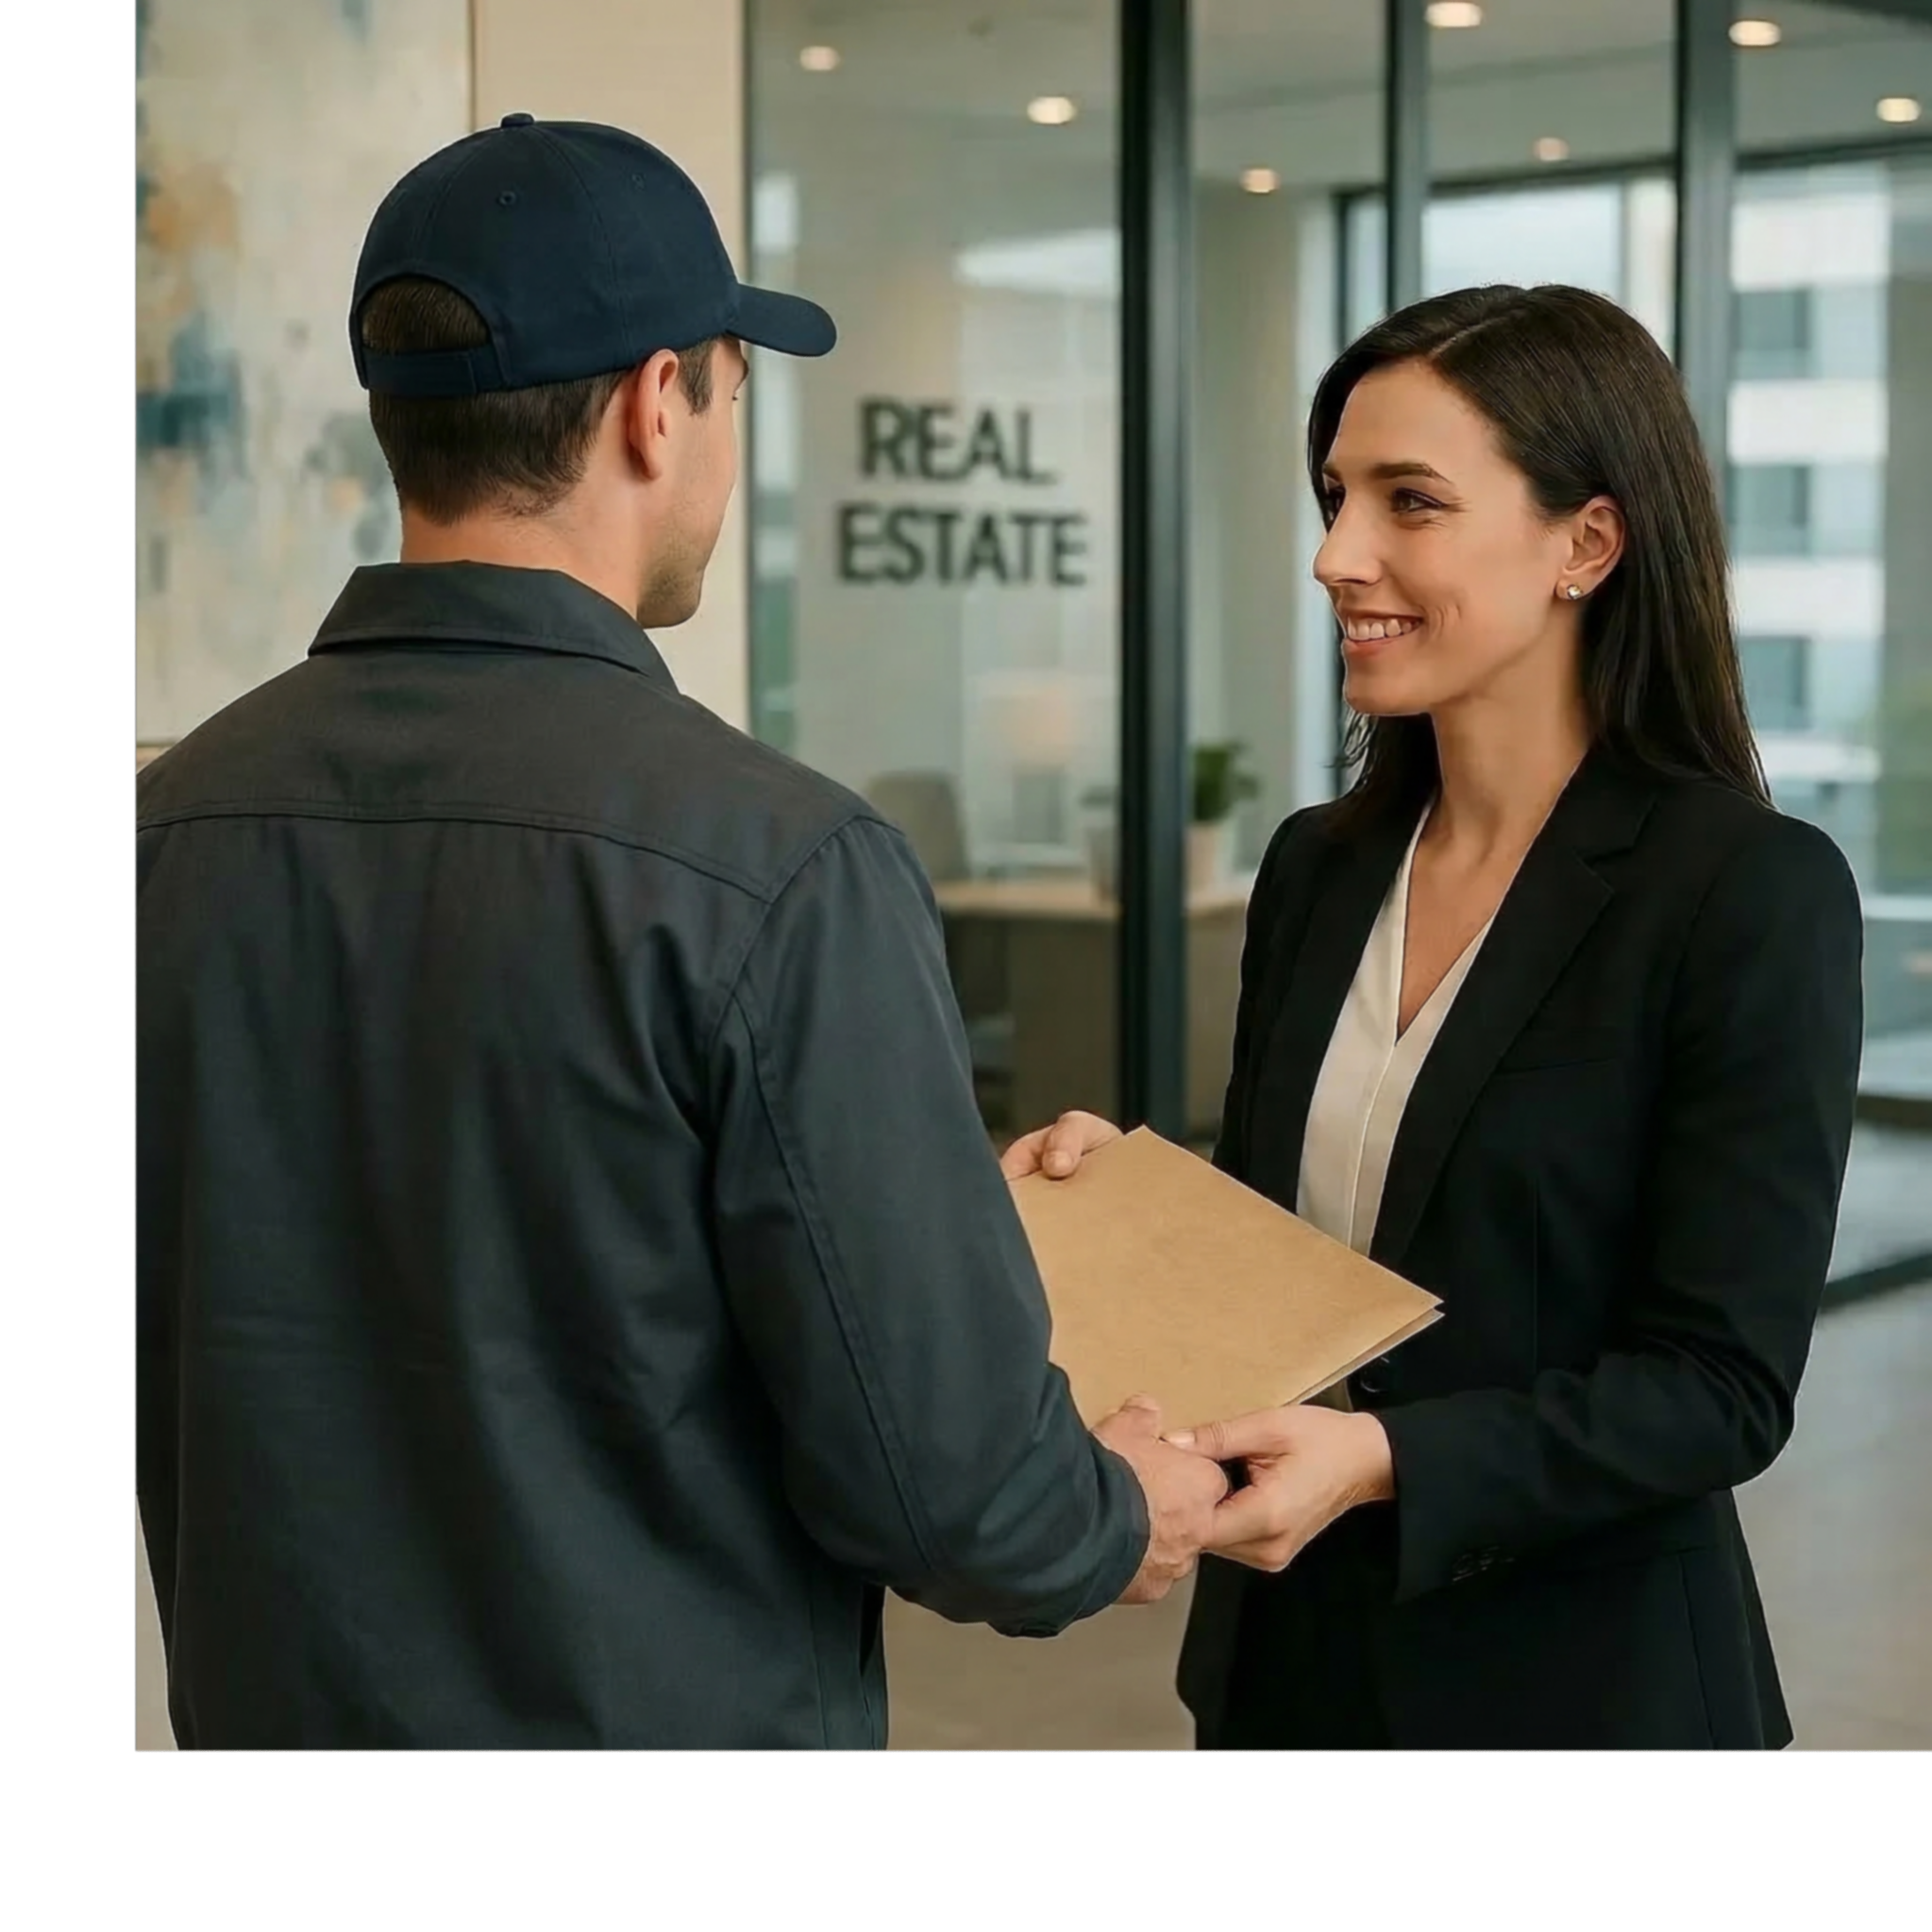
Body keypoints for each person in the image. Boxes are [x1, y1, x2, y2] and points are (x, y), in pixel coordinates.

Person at [135, 116, 1226, 1752]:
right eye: (732, 386)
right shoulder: (784, 864)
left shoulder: (168, 832)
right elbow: (960, 1501)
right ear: (661, 400)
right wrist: (1119, 1503)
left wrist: (887, 1209)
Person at [1004, 284, 1864, 1752]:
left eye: (1409, 501)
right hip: (1285, 1674)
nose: (1338, 554)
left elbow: (1717, 1387)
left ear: (1584, 543)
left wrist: (1383, 1457)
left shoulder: (1744, 890)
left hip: (1578, 1689)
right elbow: (1312, 1249)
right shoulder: (1319, 865)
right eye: (1336, 495)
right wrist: (1125, 1205)